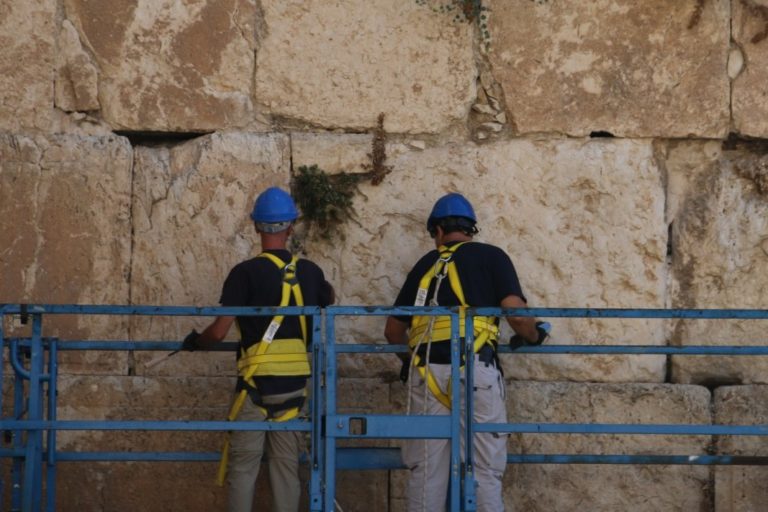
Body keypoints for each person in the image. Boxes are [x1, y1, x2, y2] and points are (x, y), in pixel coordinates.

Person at [384, 192, 550, 512]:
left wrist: (410, 362)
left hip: (427, 375)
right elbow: (516, 314)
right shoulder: (492, 257)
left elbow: (392, 331)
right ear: (471, 229)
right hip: (476, 372)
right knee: (483, 472)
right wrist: (532, 335)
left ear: (438, 232)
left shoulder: (425, 266)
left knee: (426, 472)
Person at [182, 186, 334, 512]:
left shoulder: (244, 273)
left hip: (254, 388)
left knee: (244, 469)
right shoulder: (310, 272)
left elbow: (219, 331)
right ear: (291, 227)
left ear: (256, 227)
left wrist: (196, 342)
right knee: (286, 470)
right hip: (294, 390)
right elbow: (328, 298)